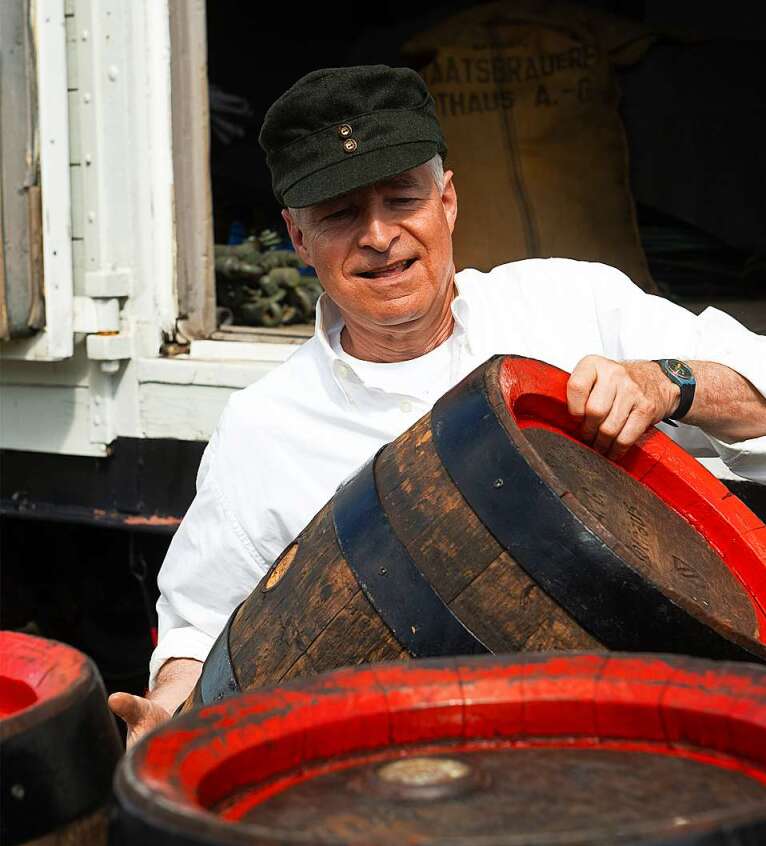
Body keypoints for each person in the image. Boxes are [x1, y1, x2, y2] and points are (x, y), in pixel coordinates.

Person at [109, 65, 766, 745]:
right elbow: (204, 627)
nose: (379, 235)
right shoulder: (263, 428)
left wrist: (669, 383)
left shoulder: (571, 304)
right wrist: (168, 711)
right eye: (339, 214)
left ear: (447, 201)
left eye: (401, 198)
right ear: (298, 239)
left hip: (645, 735)